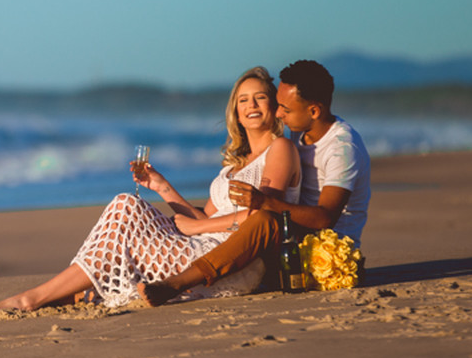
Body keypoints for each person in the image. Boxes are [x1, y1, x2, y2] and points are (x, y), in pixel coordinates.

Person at [0, 66, 301, 312]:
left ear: (274, 106)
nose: (251, 105)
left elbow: (265, 213)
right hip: (203, 244)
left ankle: (38, 297)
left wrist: (199, 227)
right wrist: (162, 187)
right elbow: (198, 218)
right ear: (235, 110)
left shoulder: (281, 148)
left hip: (231, 262)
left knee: (125, 234)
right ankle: (65, 292)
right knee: (125, 204)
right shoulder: (233, 165)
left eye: (260, 97)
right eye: (243, 99)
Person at [140, 59, 371, 306]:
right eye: (279, 105)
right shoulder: (300, 129)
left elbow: (325, 218)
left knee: (265, 218)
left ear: (314, 111)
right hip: (285, 240)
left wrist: (264, 201)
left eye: (285, 109)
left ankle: (177, 284)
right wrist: (161, 186)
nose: (280, 113)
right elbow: (208, 217)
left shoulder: (342, 148)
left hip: (323, 254)